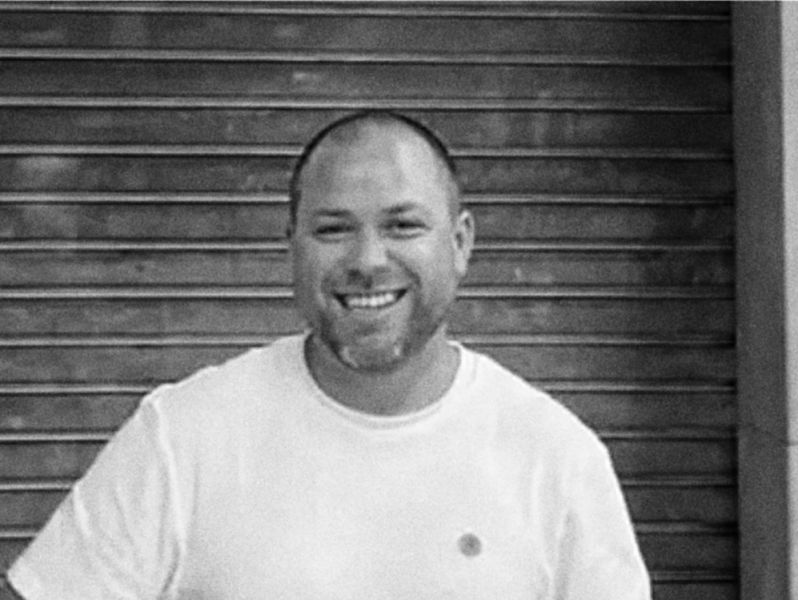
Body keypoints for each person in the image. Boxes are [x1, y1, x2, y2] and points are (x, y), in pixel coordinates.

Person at [5, 111, 651, 599]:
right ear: (292, 246)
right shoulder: (184, 436)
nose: (368, 260)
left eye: (403, 225)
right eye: (333, 229)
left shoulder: (556, 460)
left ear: (460, 243)